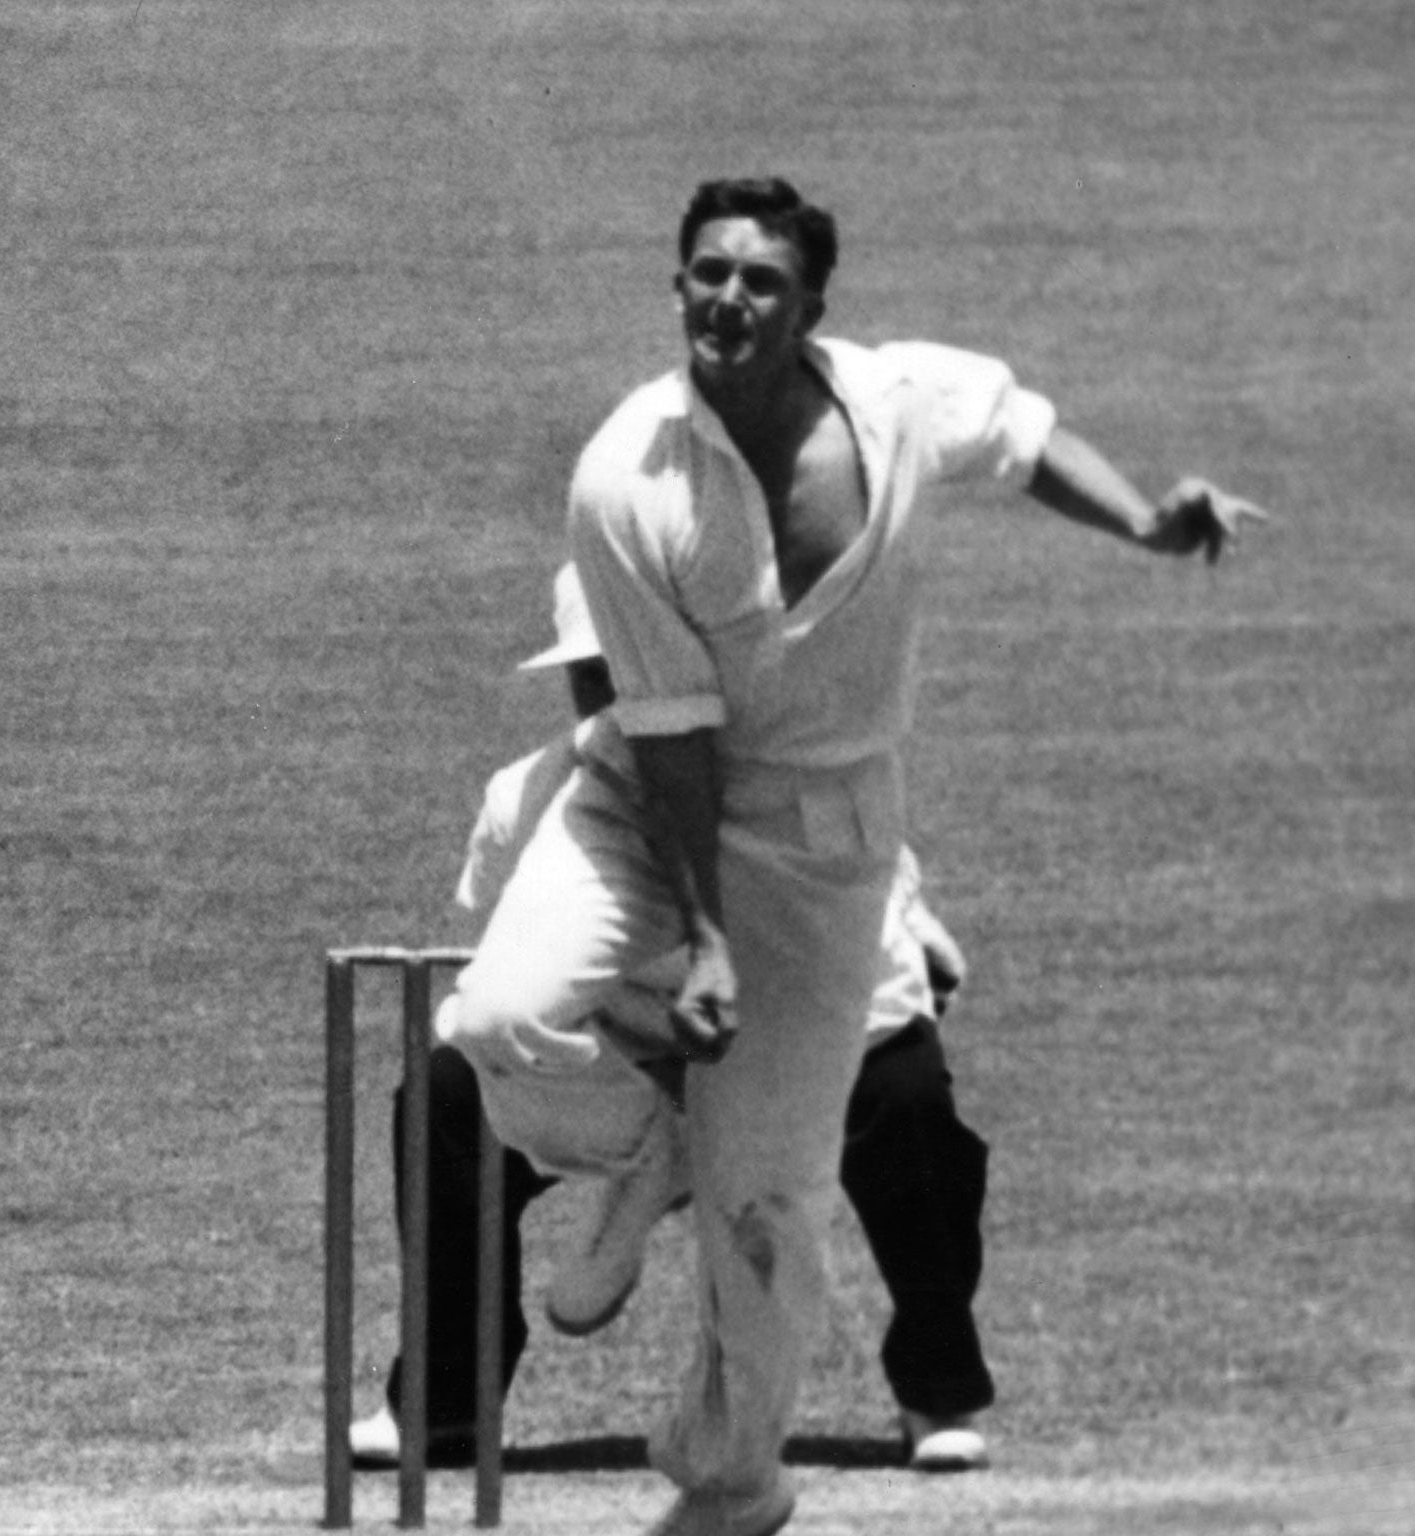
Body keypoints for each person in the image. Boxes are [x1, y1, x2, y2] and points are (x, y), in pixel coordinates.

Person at [443, 177, 1268, 1536]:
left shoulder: (898, 398)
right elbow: (670, 745)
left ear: (812, 307)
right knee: (497, 1018)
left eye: (761, 280)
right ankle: (655, 1146)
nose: (728, 300)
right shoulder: (626, 477)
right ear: (678, 290)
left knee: (771, 1207)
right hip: (643, 802)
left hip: (827, 849)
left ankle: (733, 1482)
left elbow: (1024, 435)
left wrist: (1145, 524)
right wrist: (705, 939)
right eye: (706, 274)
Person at [351, 565, 994, 1474]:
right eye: (589, 678)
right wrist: (664, 1074)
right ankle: (444, 1403)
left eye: (625, 678)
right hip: (627, 1071)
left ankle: (940, 1388)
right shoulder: (521, 801)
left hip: (785, 1052)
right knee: (446, 1097)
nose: (606, 708)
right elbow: (517, 981)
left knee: (907, 1091)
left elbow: (880, 995)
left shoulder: (786, 795)